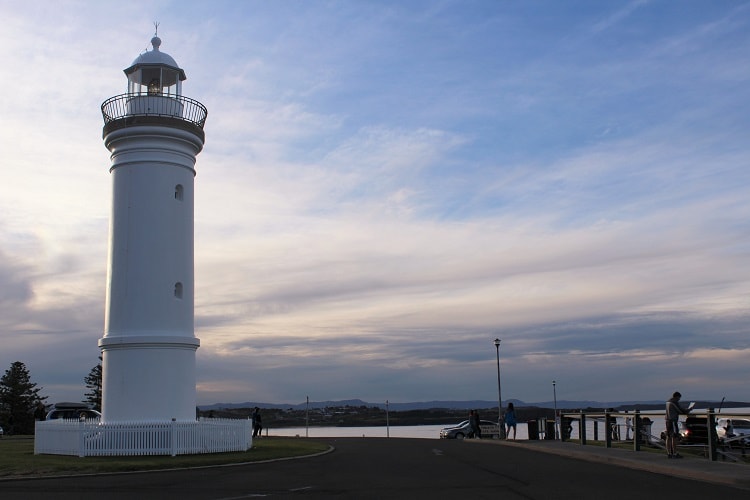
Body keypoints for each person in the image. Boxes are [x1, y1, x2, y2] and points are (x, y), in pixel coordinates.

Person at [665, 391, 690, 458]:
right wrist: (688, 410)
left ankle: (669, 453)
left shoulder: (667, 402)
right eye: (679, 398)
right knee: (674, 437)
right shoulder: (674, 402)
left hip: (667, 420)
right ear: (677, 397)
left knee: (668, 436)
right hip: (673, 420)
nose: (679, 400)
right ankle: (675, 453)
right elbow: (680, 410)